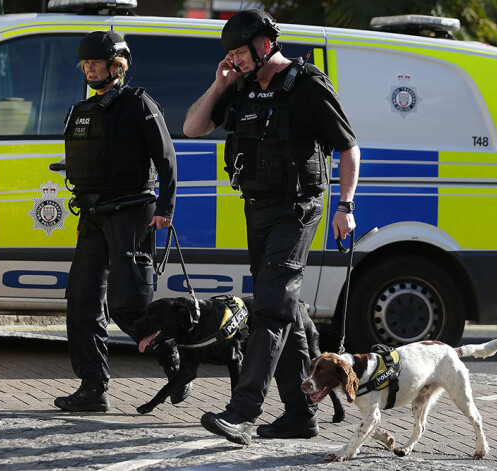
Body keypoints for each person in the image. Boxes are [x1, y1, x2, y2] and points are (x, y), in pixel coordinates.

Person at [183, 10, 360, 444]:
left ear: (265, 45)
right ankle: (300, 415)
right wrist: (220, 82)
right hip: (258, 208)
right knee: (289, 314)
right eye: (231, 55)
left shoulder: (307, 85)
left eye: (241, 52)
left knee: (269, 309)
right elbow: (192, 128)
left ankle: (242, 412)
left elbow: (349, 148)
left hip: (298, 208)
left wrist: (345, 205)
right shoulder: (240, 87)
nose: (237, 60)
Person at [54, 30, 190, 412]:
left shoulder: (138, 102)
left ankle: (171, 359)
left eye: (96, 62)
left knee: (127, 305)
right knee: (81, 300)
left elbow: (167, 158)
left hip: (132, 213)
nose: (90, 68)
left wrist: (166, 208)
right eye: (86, 63)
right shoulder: (84, 108)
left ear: (117, 66)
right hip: (94, 214)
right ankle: (93, 387)